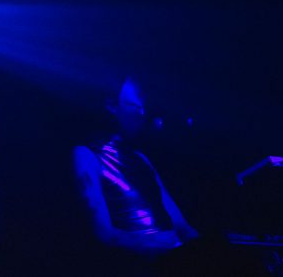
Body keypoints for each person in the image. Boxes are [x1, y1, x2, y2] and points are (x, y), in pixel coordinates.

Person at [73, 77, 198, 275]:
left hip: (172, 262)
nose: (142, 112)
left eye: (143, 105)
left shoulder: (142, 159)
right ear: (111, 106)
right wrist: (154, 242)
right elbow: (103, 234)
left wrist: (207, 251)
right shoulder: (87, 154)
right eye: (134, 105)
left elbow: (181, 224)